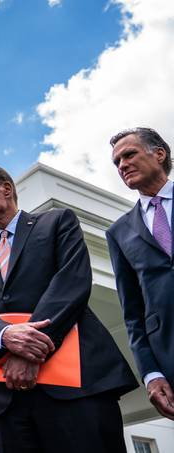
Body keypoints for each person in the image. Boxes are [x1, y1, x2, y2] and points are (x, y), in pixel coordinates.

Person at [0, 164, 137, 453]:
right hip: (7, 398)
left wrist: (32, 351)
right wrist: (6, 336)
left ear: (6, 188)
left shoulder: (57, 222)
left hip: (75, 385)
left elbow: (72, 281)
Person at [106, 127, 174, 420]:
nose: (122, 165)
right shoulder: (119, 232)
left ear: (159, 154)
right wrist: (151, 373)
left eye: (129, 154)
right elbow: (132, 312)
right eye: (117, 162)